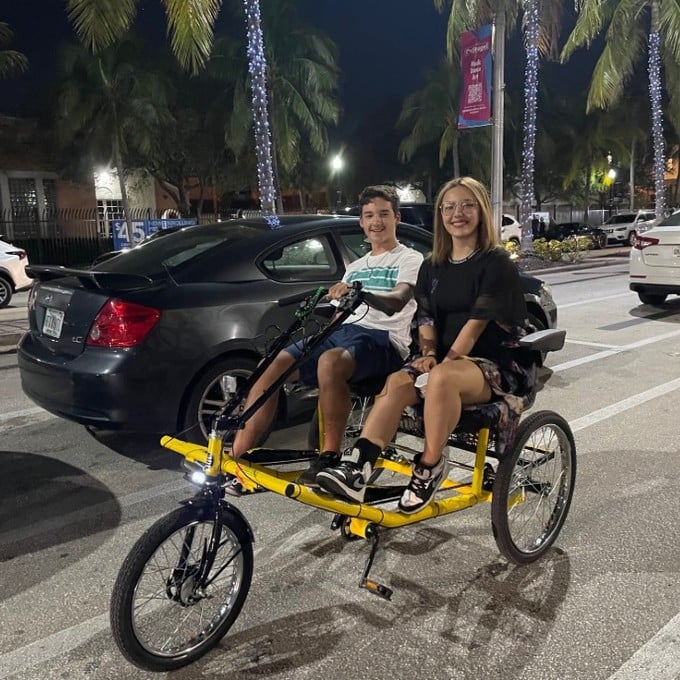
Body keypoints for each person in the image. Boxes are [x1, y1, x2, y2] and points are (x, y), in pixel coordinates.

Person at [317, 177, 532, 514]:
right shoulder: (433, 265)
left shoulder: (495, 262)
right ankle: (358, 465)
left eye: (466, 205)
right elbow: (426, 318)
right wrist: (429, 354)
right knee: (398, 382)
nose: (457, 213)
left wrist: (442, 362)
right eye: (449, 207)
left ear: (481, 210)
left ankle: (429, 466)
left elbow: (475, 325)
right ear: (440, 215)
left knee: (442, 379)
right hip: (443, 358)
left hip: (490, 363)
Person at [226, 184, 423, 494]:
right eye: (369, 215)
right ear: (361, 222)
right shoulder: (354, 267)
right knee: (271, 365)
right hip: (345, 334)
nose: (376, 222)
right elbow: (337, 317)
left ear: (397, 218)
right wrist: (334, 307)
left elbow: (398, 300)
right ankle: (237, 457)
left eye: (384, 214)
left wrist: (360, 293)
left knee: (331, 363)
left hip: (384, 340)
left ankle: (328, 457)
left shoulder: (409, 259)